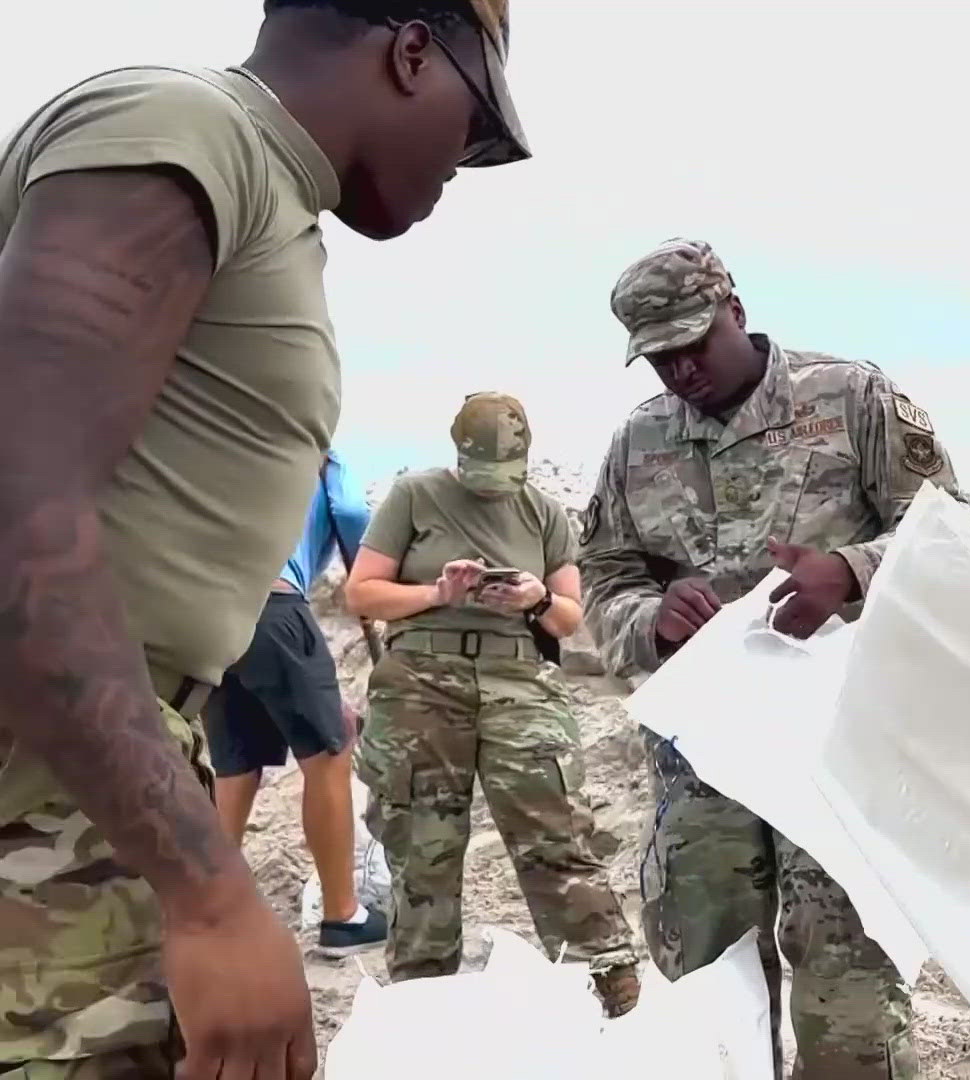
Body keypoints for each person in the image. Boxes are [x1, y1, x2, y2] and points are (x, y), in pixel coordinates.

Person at [0, 0, 529, 1075]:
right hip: (46, 774)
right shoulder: (186, 128)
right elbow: (17, 496)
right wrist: (207, 890)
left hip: (103, 764)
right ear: (410, 49)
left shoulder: (260, 192)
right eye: (471, 129)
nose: (461, 167)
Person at [580, 237, 962, 1078]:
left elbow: (952, 532)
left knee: (848, 981)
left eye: (692, 344)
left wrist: (853, 572)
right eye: (658, 359)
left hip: (843, 744)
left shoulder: (852, 397)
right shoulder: (636, 443)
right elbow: (602, 579)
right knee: (710, 980)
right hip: (704, 754)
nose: (680, 372)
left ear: (736, 311)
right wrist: (651, 618)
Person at [342, 392, 642, 1018]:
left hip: (519, 680)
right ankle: (422, 1015)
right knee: (423, 852)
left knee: (557, 838)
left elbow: (568, 619)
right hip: (423, 680)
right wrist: (437, 591)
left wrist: (532, 599)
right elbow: (362, 594)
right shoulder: (413, 496)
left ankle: (612, 1000)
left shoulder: (544, 512)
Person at [205, 448, 390, 959]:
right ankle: (344, 917)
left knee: (235, 766)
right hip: (276, 604)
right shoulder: (322, 457)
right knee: (331, 752)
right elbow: (352, 514)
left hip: (214, 614)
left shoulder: (230, 449)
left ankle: (209, 911)